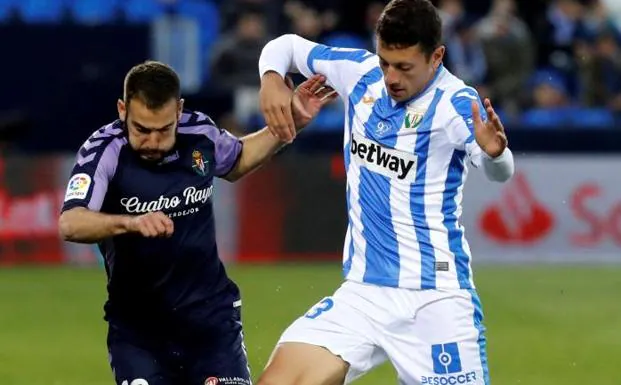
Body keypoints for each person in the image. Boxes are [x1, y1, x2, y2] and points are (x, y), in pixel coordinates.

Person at [256, 0, 514, 384]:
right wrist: (272, 79)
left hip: (435, 299)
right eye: (385, 63)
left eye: (404, 67)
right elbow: (287, 46)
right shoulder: (360, 75)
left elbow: (500, 173)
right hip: (363, 293)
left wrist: (496, 153)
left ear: (436, 56)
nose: (391, 77)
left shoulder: (456, 104)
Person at [58, 61, 336, 385]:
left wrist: (289, 125)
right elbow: (71, 222)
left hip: (211, 323)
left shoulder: (199, 133)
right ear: (122, 110)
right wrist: (130, 222)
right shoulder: (103, 150)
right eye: (141, 130)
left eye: (163, 129)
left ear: (178, 110)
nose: (152, 141)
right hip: (139, 332)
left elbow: (237, 160)